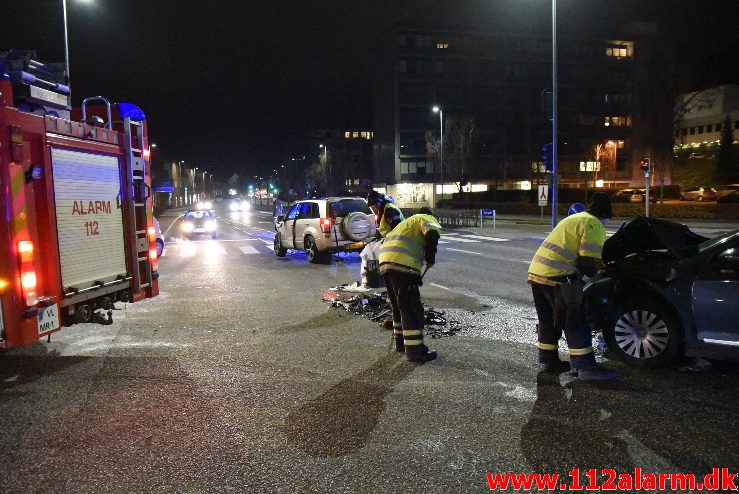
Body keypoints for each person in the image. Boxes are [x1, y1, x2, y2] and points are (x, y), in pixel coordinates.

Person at [527, 192, 616, 380]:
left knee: (548, 320)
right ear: (604, 215)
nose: (607, 223)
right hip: (558, 276)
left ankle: (549, 361)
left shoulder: (576, 218)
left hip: (537, 273)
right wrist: (603, 268)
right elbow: (587, 262)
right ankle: (585, 368)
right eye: (607, 219)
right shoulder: (593, 224)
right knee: (575, 321)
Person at [379, 207, 441, 362]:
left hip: (385, 263)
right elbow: (432, 233)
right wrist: (430, 257)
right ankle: (415, 351)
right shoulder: (426, 218)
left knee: (399, 307)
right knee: (411, 309)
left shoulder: (406, 223)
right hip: (403, 265)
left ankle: (401, 344)